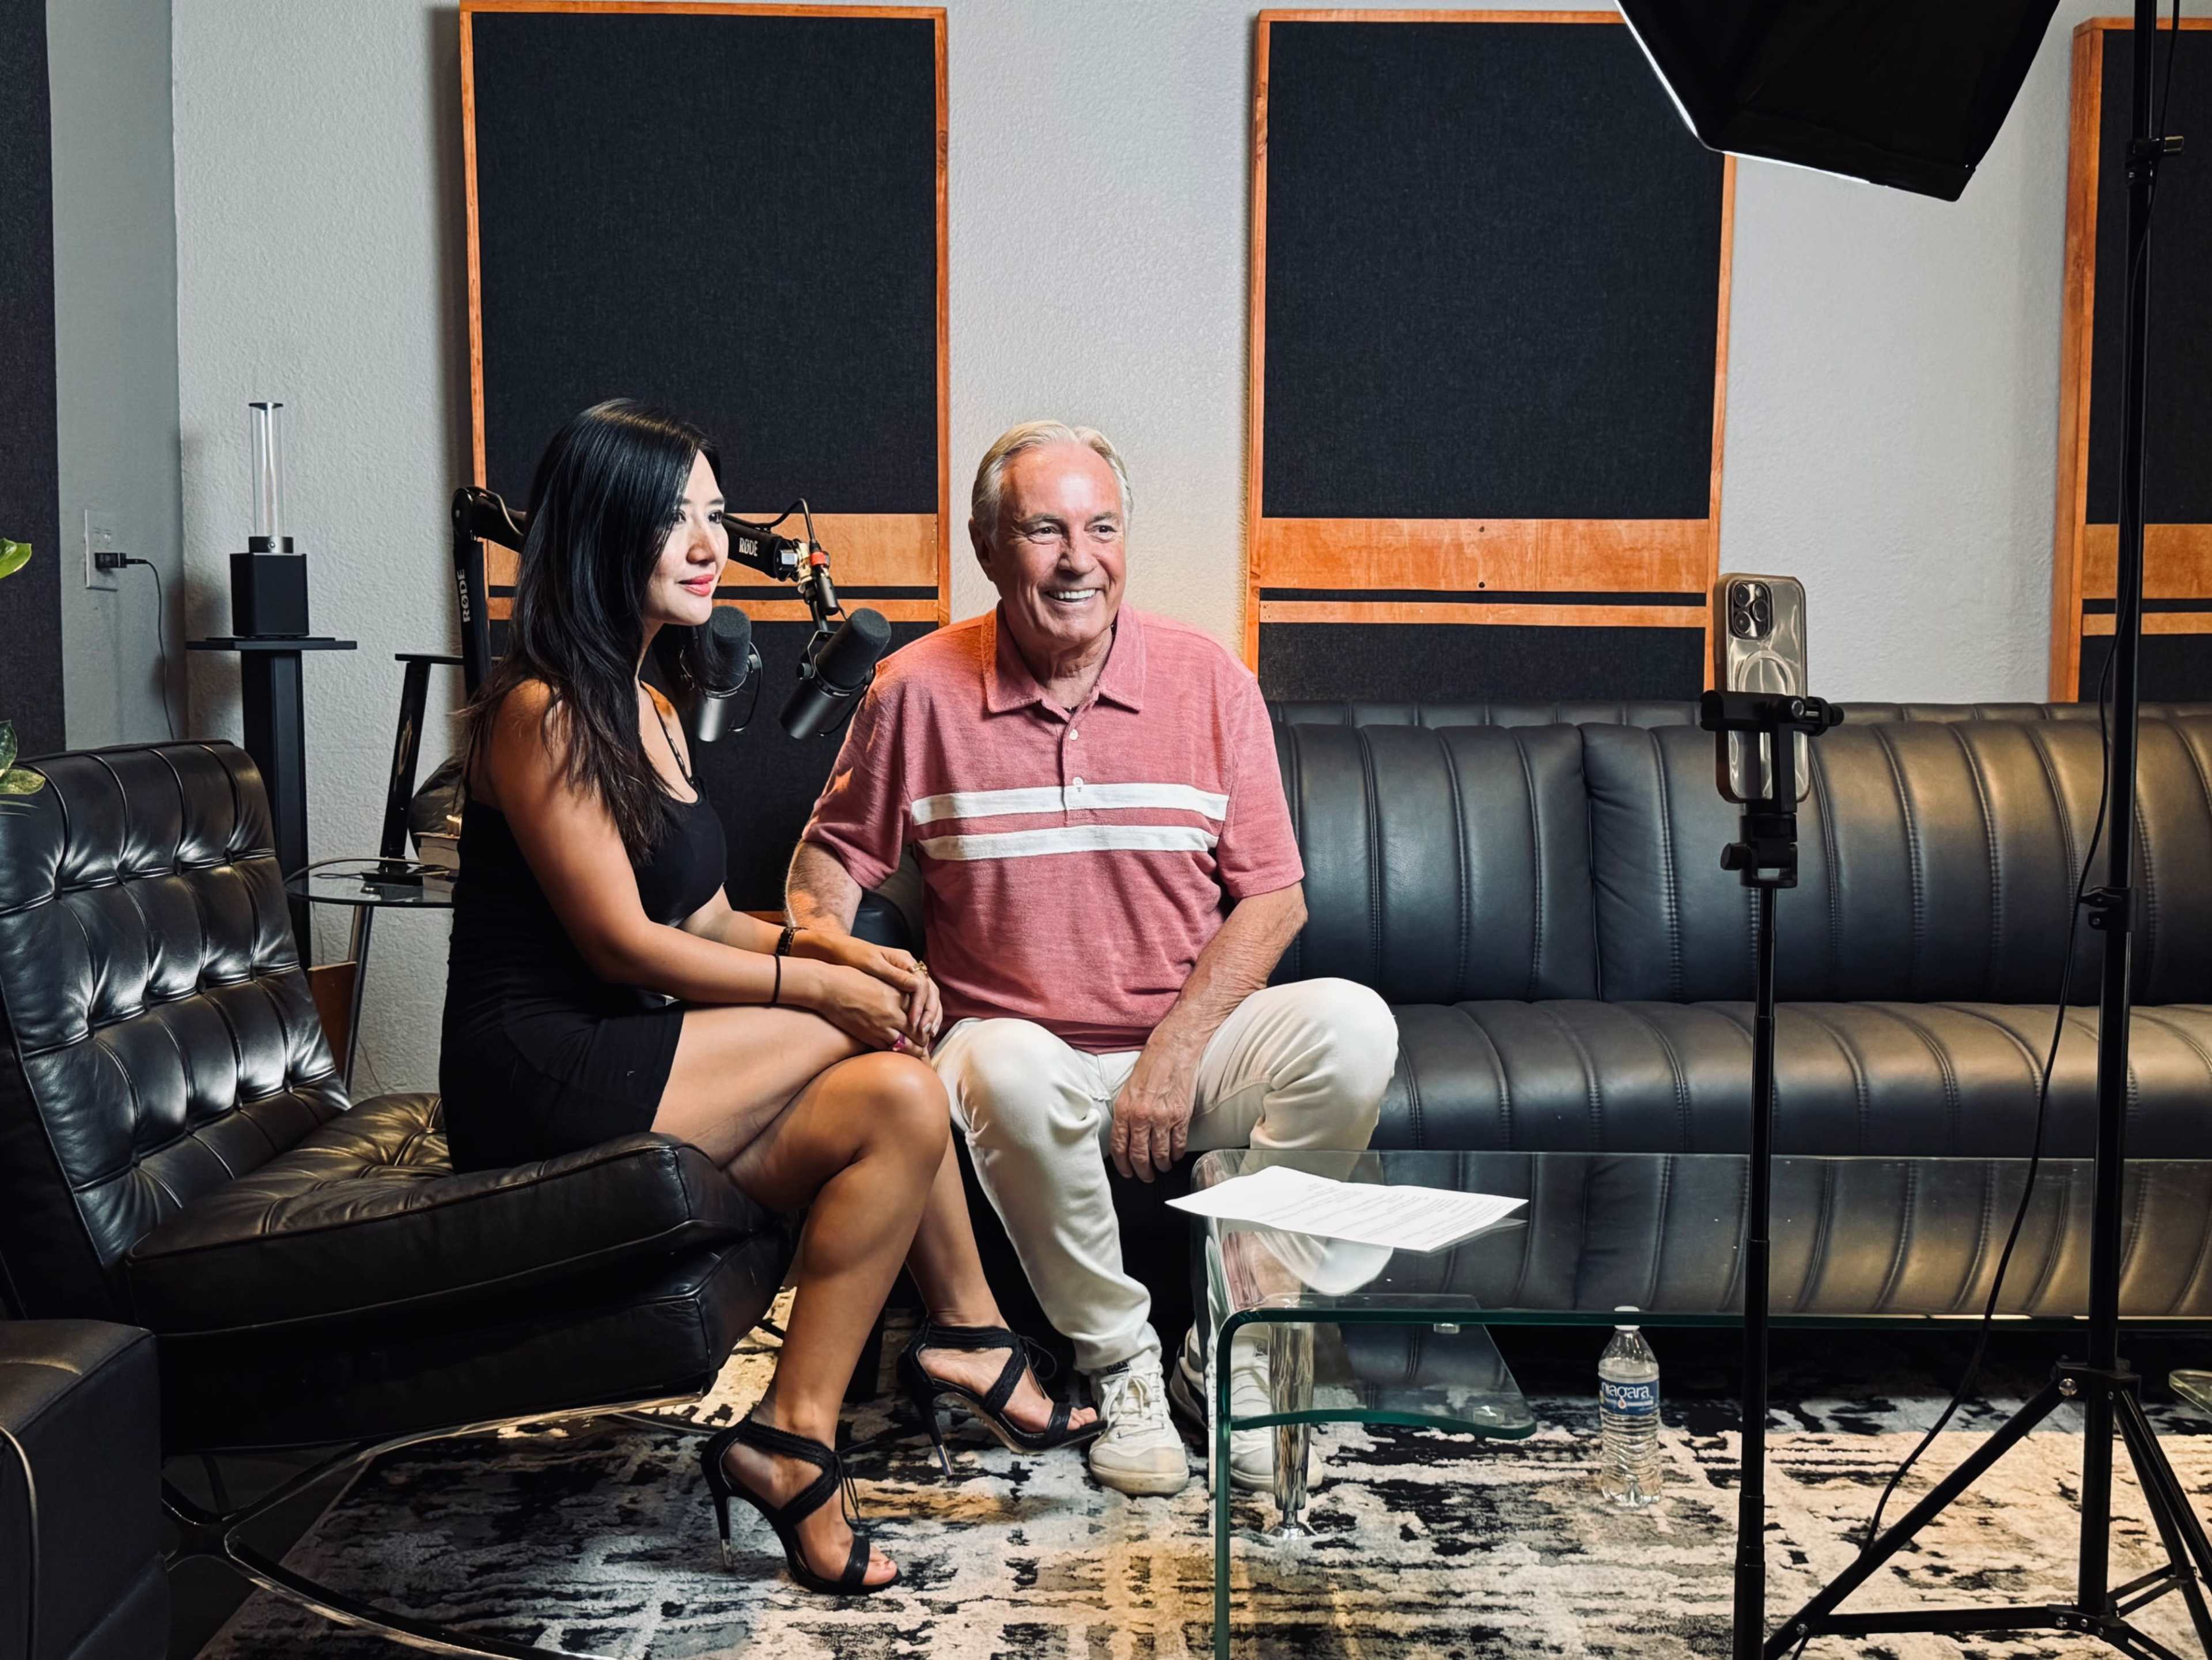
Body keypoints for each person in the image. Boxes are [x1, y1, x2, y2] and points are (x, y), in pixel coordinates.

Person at [439, 400, 1097, 1597]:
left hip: (627, 1046)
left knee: (897, 1097)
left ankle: (790, 1438)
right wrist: (819, 990)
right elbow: (627, 944)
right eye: (675, 520)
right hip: (535, 1066)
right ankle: (972, 1333)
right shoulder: (539, 708)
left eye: (712, 517)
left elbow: (704, 918)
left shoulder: (646, 700)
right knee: (864, 1039)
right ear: (601, 531)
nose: (709, 544)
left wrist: (847, 957)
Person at [787, 419, 1399, 1497]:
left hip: (1190, 1047)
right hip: (1019, 1046)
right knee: (1002, 1065)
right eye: (1044, 530)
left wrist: (1176, 1049)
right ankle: (1121, 1365)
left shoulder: (1210, 680)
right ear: (988, 547)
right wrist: (840, 968)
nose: (1079, 559)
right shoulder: (917, 690)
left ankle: (1236, 1345)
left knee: (1356, 1025)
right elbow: (829, 857)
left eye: (1101, 527)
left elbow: (1276, 897)